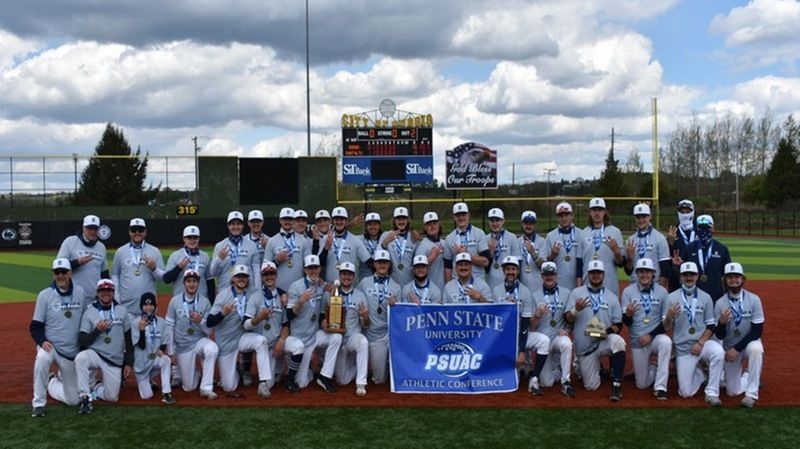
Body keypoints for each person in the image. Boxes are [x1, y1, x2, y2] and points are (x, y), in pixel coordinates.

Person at [30, 258, 88, 417]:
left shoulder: (80, 292)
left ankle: (52, 383)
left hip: (70, 351)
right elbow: (35, 326)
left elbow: (86, 318)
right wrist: (42, 341)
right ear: (53, 275)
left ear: (70, 273)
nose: (60, 275)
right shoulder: (45, 295)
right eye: (57, 272)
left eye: (64, 272)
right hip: (51, 346)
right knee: (42, 359)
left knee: (73, 400)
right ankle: (38, 403)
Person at [206, 265, 273, 398]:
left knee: (261, 341)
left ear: (248, 279)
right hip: (227, 343)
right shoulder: (223, 295)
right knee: (229, 386)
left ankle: (263, 383)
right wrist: (223, 314)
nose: (241, 279)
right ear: (233, 278)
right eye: (238, 276)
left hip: (243, 337)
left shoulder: (253, 293)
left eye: (244, 277)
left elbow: (272, 290)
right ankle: (237, 370)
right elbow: (209, 321)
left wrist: (283, 295)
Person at [663, 262, 724, 406]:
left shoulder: (706, 297)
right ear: (681, 277)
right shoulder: (671, 297)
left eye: (692, 275)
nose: (689, 278)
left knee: (718, 352)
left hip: (702, 344)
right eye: (686, 275)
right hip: (684, 348)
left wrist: (700, 343)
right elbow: (666, 327)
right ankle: (700, 375)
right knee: (685, 393)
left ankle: (712, 392)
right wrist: (669, 316)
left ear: (697, 276)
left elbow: (710, 326)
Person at [565, 260, 626, 402]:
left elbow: (619, 324)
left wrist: (608, 331)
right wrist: (576, 310)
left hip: (603, 340)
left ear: (603, 274)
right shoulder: (577, 293)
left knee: (618, 342)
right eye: (592, 273)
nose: (595, 276)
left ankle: (616, 385)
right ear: (588, 274)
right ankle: (593, 367)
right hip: (585, 346)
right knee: (591, 386)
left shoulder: (611, 296)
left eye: (598, 273)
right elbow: (567, 319)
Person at [284, 255, 342, 392]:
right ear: (305, 270)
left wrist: (323, 319)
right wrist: (301, 302)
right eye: (310, 268)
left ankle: (324, 375)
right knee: (302, 383)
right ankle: (307, 370)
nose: (313, 271)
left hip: (314, 335)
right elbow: (289, 315)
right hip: (298, 337)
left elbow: (322, 310)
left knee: (336, 337)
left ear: (320, 269)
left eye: (315, 268)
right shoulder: (296, 287)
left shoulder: (322, 286)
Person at [75, 279, 133, 414]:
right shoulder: (89, 312)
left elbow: (128, 339)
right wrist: (97, 331)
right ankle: (85, 397)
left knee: (112, 397)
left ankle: (96, 386)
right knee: (81, 358)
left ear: (113, 293)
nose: (105, 293)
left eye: (108, 291)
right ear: (97, 293)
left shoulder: (122, 311)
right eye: (102, 291)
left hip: (114, 358)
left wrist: (129, 363)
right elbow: (82, 341)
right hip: (96, 353)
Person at [714, 262, 764, 408]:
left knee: (756, 349)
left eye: (737, 277)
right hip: (729, 347)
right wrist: (721, 323)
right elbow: (720, 335)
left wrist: (737, 349)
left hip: (747, 343)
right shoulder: (720, 303)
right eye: (730, 277)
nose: (733, 280)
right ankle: (747, 375)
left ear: (742, 279)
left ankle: (751, 394)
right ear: (725, 280)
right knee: (732, 391)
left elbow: (757, 331)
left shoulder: (754, 299)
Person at [620, 258, 671, 400]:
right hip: (638, 341)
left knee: (666, 342)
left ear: (653, 274)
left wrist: (650, 335)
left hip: (655, 338)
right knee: (641, 384)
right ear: (636, 274)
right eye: (641, 272)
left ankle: (661, 387)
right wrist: (628, 315)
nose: (644, 275)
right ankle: (653, 368)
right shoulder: (628, 291)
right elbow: (626, 322)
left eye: (647, 272)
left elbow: (665, 324)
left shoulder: (662, 292)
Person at [165, 269, 219, 400]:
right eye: (188, 281)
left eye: (194, 281)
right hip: (183, 346)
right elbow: (169, 327)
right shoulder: (175, 301)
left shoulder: (205, 302)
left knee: (212, 348)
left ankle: (206, 388)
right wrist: (171, 352)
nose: (192, 284)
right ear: (184, 283)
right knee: (189, 387)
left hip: (199, 341)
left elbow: (208, 331)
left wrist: (200, 321)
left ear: (198, 283)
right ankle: (197, 374)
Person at [528, 261, 575, 397]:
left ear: (556, 276)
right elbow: (532, 325)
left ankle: (566, 382)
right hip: (543, 341)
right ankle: (557, 367)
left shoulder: (566, 293)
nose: (549, 277)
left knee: (566, 343)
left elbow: (570, 317)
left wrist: (567, 330)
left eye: (552, 274)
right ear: (541, 276)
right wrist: (537, 315)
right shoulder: (535, 295)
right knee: (547, 383)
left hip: (557, 337)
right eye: (546, 274)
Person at [325, 262, 370, 396]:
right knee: (342, 380)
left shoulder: (360, 295)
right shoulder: (332, 293)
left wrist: (365, 317)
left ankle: (361, 383)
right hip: (337, 340)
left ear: (354, 276)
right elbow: (324, 315)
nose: (346, 277)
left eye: (349, 274)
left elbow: (366, 325)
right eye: (344, 274)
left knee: (363, 341)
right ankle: (358, 367)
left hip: (352, 338)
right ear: (339, 275)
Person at [357, 249, 401, 385]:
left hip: (390, 334)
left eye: (385, 263)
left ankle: (389, 365)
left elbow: (400, 317)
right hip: (373, 334)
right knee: (379, 380)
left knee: (397, 375)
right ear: (374, 264)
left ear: (389, 265)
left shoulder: (396, 287)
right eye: (379, 262)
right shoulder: (364, 283)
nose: (382, 265)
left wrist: (394, 308)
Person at [244, 261, 288, 390]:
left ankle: (282, 370)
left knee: (295, 345)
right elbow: (246, 325)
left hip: (275, 343)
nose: (269, 277)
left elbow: (287, 323)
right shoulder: (255, 297)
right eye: (266, 274)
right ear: (262, 277)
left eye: (272, 273)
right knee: (268, 384)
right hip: (261, 345)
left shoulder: (283, 296)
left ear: (276, 275)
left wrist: (281, 341)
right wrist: (259, 318)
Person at [111, 218, 165, 315]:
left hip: (149, 306)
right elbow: (115, 276)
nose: (137, 233)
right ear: (129, 232)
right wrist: (117, 299)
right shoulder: (120, 251)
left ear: (145, 232)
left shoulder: (155, 251)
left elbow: (162, 278)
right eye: (134, 229)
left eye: (140, 230)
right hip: (126, 307)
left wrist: (154, 268)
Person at [131, 293, 175, 405]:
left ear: (155, 306)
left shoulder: (161, 322)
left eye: (151, 305)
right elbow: (140, 345)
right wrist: (141, 330)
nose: (148, 307)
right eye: (145, 305)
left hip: (153, 359)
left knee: (166, 360)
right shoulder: (135, 322)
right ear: (141, 307)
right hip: (142, 364)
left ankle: (166, 393)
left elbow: (164, 342)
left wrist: (161, 350)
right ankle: (147, 381)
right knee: (147, 396)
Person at [675, 215, 731, 302]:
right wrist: (677, 266)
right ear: (696, 229)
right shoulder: (689, 248)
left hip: (716, 296)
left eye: (707, 228)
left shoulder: (722, 249)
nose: (704, 231)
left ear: (713, 228)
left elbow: (727, 275)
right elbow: (682, 273)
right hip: (693, 296)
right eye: (701, 228)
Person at [57, 214, 109, 303]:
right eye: (89, 228)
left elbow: (104, 274)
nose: (92, 231)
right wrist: (77, 263)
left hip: (94, 298)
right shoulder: (70, 242)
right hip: (73, 297)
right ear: (83, 228)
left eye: (95, 229)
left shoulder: (101, 247)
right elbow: (59, 269)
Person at [581, 198, 624, 296]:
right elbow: (579, 264)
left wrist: (617, 252)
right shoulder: (582, 233)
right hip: (587, 284)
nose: (597, 213)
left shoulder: (615, 232)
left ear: (604, 212)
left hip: (609, 284)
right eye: (594, 210)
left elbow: (621, 263)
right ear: (590, 212)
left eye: (599, 210)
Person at [210, 211, 260, 295]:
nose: (236, 227)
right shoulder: (220, 246)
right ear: (228, 226)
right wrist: (219, 259)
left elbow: (256, 272)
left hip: (246, 292)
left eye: (238, 224)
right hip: (225, 291)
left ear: (243, 225)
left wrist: (257, 291)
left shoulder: (252, 246)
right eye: (233, 224)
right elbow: (213, 273)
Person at [265, 207, 313, 291]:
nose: (287, 222)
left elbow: (309, 267)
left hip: (299, 289)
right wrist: (277, 261)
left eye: (290, 219)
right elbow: (265, 269)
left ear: (294, 221)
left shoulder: (303, 241)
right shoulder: (272, 241)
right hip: (278, 289)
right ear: (280, 220)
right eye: (284, 219)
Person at [163, 225, 215, 301]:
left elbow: (210, 281)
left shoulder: (205, 256)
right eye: (189, 237)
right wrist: (179, 268)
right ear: (184, 239)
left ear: (199, 239)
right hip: (180, 301)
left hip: (202, 301)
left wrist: (212, 303)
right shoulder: (175, 255)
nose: (192, 240)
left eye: (195, 238)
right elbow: (166, 279)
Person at [625, 204, 670, 289]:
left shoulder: (660, 238)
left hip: (654, 285)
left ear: (650, 217)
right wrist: (630, 259)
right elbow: (628, 271)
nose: (641, 220)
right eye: (638, 217)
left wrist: (660, 290)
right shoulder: (630, 241)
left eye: (644, 217)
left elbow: (665, 269)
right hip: (635, 286)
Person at [321, 206, 371, 283]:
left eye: (341, 219)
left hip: (350, 287)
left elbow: (368, 261)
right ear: (332, 221)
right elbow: (319, 264)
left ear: (346, 221)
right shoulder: (325, 239)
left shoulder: (355, 240)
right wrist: (326, 249)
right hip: (329, 288)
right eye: (336, 219)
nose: (339, 222)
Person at [443, 202, 489, 282]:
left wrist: (466, 254)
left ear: (468, 215)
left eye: (463, 214)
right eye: (458, 215)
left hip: (477, 281)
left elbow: (485, 262)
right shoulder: (449, 238)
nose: (461, 218)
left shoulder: (479, 234)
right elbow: (448, 267)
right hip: (457, 283)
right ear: (454, 217)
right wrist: (448, 286)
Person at [545, 202, 585, 290]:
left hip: (577, 283)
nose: (564, 218)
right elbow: (546, 263)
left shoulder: (581, 234)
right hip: (557, 284)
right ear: (557, 218)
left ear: (572, 216)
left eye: (566, 215)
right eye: (560, 215)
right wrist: (552, 255)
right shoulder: (550, 236)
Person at [484, 208, 521, 291]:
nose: (495, 223)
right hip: (491, 282)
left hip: (509, 282)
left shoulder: (512, 238)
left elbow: (517, 264)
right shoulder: (485, 239)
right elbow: (484, 268)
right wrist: (490, 252)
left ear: (503, 221)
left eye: (497, 220)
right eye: (492, 221)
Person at [379, 207, 417, 286]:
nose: (401, 222)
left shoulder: (413, 237)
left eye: (404, 219)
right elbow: (377, 255)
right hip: (390, 283)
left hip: (409, 282)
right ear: (394, 220)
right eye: (398, 219)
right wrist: (385, 242)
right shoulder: (386, 235)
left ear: (407, 220)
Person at [667, 199, 697, 291]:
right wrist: (670, 243)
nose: (685, 215)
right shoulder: (673, 233)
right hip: (676, 280)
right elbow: (667, 260)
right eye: (682, 212)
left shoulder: (699, 232)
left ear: (693, 212)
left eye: (688, 212)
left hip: (696, 278)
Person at [413, 211, 446, 291]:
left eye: (434, 223)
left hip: (445, 288)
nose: (432, 226)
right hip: (429, 290)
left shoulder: (445, 243)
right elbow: (417, 270)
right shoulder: (422, 246)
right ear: (425, 227)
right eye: (429, 224)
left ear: (439, 225)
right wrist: (431, 258)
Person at [517, 210, 547, 294]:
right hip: (521, 289)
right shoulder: (517, 242)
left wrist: (533, 253)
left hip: (539, 288)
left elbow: (544, 266)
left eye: (531, 223)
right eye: (526, 223)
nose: (528, 226)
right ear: (521, 223)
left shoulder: (542, 242)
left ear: (535, 225)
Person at [357, 212, 383, 281]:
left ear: (379, 226)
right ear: (366, 226)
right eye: (370, 224)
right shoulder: (359, 239)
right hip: (364, 280)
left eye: (375, 224)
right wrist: (350, 225)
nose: (373, 227)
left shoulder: (384, 237)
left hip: (381, 280)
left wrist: (412, 230)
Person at [246, 210, 270, 279]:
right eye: (253, 221)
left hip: (266, 278)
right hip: (248, 278)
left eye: (258, 221)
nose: (256, 224)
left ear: (262, 222)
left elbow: (275, 261)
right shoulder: (243, 241)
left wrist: (267, 248)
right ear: (248, 223)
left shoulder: (270, 241)